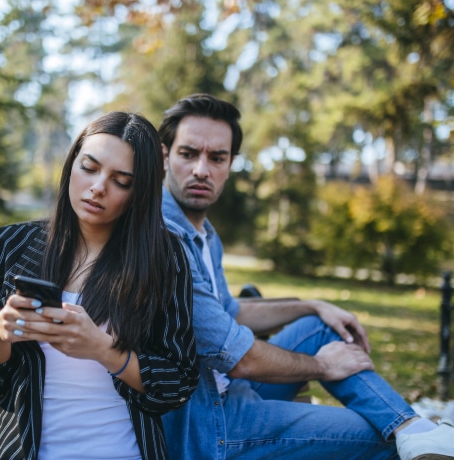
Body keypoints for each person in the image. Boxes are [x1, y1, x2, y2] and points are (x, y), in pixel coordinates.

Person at [158, 93, 454, 460]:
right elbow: (239, 358)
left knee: (322, 324)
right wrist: (324, 366)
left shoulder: (205, 233)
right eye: (189, 154)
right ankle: (409, 434)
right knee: (380, 439)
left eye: (217, 157)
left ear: (230, 163)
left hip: (232, 390)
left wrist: (312, 304)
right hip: (207, 425)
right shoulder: (164, 236)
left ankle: (413, 428)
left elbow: (229, 311)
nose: (202, 169)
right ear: (164, 155)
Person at [0, 111, 199, 460]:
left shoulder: (163, 258)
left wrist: (102, 349)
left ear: (139, 192)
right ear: (72, 164)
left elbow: (176, 383)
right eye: (89, 167)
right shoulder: (13, 245)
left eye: (121, 181)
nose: (98, 187)